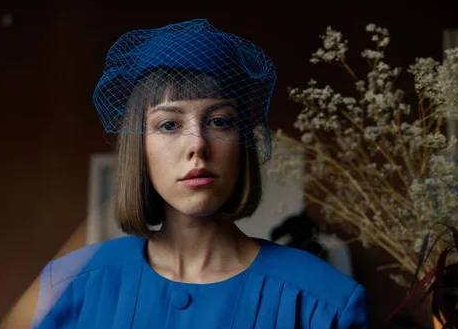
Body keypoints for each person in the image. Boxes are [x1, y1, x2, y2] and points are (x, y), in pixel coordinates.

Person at [31, 18, 368, 328]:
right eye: (169, 124)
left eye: (219, 121)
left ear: (244, 145)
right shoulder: (70, 286)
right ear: (140, 150)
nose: (198, 145)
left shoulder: (323, 301)